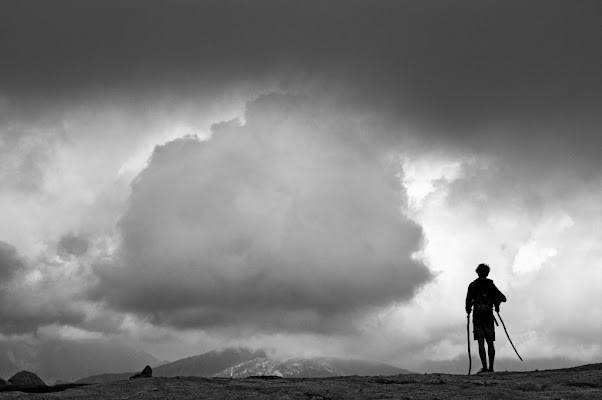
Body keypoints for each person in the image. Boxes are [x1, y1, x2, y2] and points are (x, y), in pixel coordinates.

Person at [465, 263, 506, 373]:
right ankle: (491, 368)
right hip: (488, 316)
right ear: (487, 273)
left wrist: (468, 310)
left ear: (477, 272)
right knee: (490, 342)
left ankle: (485, 367)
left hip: (478, 316)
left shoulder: (473, 285)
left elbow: (468, 301)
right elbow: (503, 298)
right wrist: (496, 304)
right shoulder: (491, 285)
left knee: (481, 342)